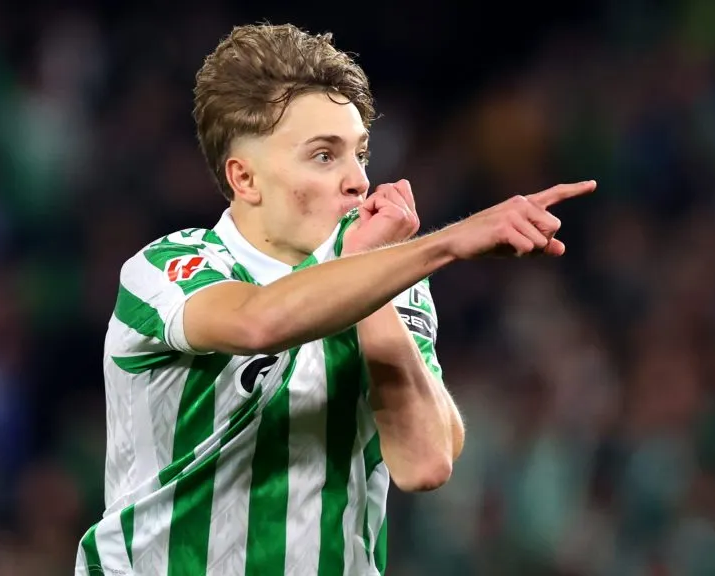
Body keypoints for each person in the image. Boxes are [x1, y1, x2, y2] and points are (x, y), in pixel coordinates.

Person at [75, 22, 595, 576]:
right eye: (325, 156)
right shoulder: (168, 270)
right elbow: (258, 322)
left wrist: (371, 281)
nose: (358, 182)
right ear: (245, 178)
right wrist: (449, 243)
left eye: (361, 155)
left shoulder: (391, 280)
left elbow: (425, 462)